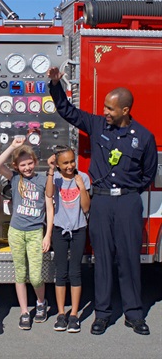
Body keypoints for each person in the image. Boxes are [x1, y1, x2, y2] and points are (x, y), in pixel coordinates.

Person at [48, 67, 157, 336]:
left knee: (130, 260)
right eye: (105, 107)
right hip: (102, 203)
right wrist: (55, 84)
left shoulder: (143, 137)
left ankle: (134, 314)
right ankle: (103, 314)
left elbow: (148, 173)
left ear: (125, 110)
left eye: (110, 109)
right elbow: (67, 111)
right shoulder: (97, 125)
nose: (105, 112)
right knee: (103, 260)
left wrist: (128, 192)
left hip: (129, 203)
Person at [0, 137, 54, 331]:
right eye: (23, 164)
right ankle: (24, 312)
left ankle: (40, 302)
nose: (27, 167)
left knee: (36, 276)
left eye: (30, 163)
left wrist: (48, 235)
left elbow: (50, 208)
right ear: (16, 166)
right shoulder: (14, 178)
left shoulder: (43, 180)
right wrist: (13, 145)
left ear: (35, 162)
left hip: (36, 232)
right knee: (20, 274)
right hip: (16, 232)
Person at [46, 146, 91, 333]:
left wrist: (81, 187)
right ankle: (61, 313)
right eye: (65, 163)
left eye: (72, 161)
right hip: (59, 229)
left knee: (75, 272)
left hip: (79, 229)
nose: (70, 165)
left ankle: (74, 314)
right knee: (61, 272)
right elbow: (49, 194)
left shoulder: (84, 178)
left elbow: (86, 208)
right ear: (58, 164)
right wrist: (50, 171)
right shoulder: (55, 178)